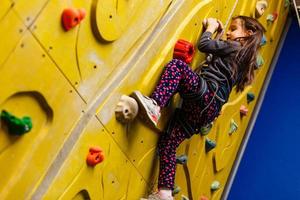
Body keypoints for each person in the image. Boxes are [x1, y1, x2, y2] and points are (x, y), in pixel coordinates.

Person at [133, 16, 265, 200]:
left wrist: (210, 28)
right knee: (169, 143)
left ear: (248, 34)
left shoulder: (236, 46)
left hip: (207, 94)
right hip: (208, 111)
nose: (228, 32)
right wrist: (218, 39)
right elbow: (215, 58)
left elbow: (204, 45)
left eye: (234, 29)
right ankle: (165, 193)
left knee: (178, 68)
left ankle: (155, 105)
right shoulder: (242, 60)